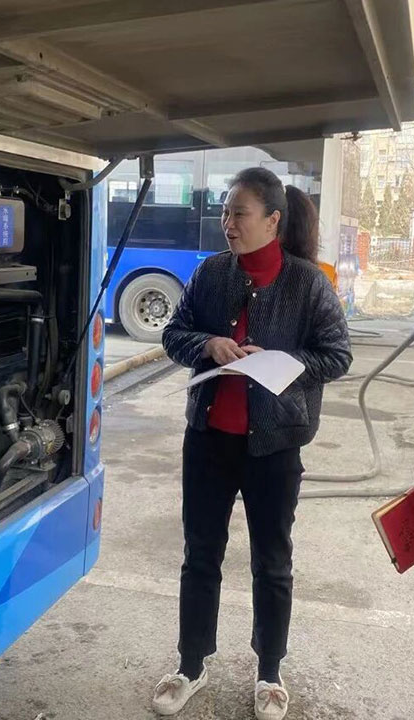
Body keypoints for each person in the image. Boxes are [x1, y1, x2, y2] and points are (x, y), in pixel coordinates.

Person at [155, 168, 351, 719]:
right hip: (208, 441)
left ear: (272, 220)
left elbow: (337, 355)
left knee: (273, 562)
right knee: (200, 556)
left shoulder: (308, 283)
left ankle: (269, 672)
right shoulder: (211, 273)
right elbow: (173, 334)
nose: (228, 223)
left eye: (239, 213)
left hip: (274, 446)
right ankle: (191, 664)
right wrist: (208, 344)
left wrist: (284, 362)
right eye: (225, 212)